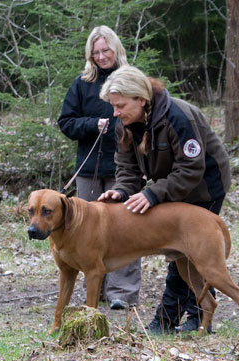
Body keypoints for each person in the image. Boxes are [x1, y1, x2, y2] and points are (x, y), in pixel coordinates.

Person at [97, 65, 231, 333]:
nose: (115, 112)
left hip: (205, 185)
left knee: (191, 251)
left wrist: (152, 193)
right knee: (183, 257)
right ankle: (194, 318)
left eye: (120, 105)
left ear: (141, 100)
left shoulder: (178, 117)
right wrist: (122, 190)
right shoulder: (124, 124)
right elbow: (127, 168)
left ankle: (171, 320)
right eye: (113, 106)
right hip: (172, 185)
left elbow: (192, 169)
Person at [57, 26, 141, 310]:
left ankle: (123, 293)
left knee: (127, 230)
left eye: (106, 50)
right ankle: (96, 290)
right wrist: (92, 124)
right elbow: (66, 123)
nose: (102, 56)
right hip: (89, 169)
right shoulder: (81, 83)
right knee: (84, 231)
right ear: (90, 55)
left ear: (116, 49)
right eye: (96, 52)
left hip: (125, 170)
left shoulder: (130, 79)